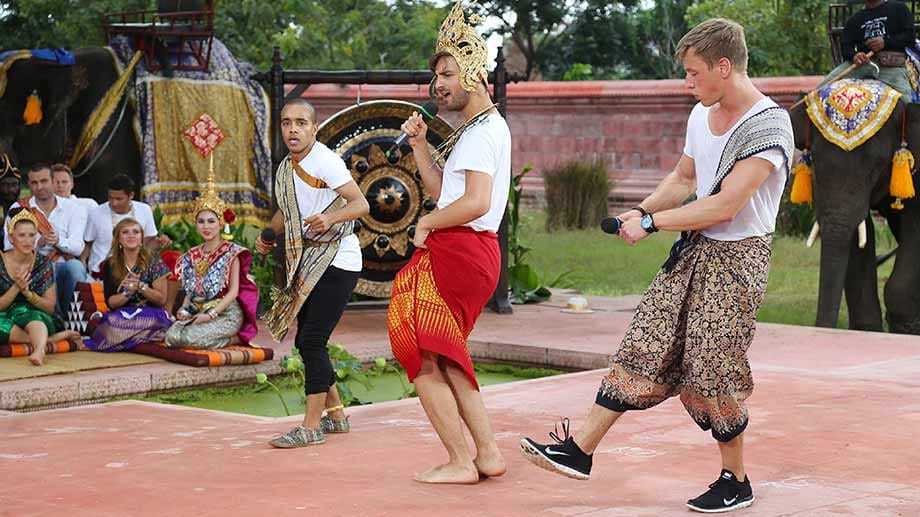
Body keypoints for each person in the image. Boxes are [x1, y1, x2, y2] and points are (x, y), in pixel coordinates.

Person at [519, 18, 794, 513]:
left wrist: (654, 223)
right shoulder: (699, 115)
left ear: (724, 67)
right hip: (693, 251)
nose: (687, 84)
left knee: (714, 366)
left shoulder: (768, 125)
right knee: (643, 342)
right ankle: (579, 450)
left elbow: (725, 205)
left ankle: (736, 479)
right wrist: (642, 211)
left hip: (738, 259)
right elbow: (684, 176)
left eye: (694, 74)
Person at [384, 1, 510, 484]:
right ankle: (487, 454)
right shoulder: (481, 129)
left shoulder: (480, 135)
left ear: (474, 75)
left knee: (415, 342)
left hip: (460, 249)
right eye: (436, 76)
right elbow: (447, 192)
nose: (439, 85)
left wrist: (427, 224)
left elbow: (473, 203)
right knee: (442, 350)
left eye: (448, 74)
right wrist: (419, 147)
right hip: (472, 251)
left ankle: (460, 461)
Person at [261, 98, 369, 449]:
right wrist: (269, 234)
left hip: (337, 258)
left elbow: (360, 204)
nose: (293, 129)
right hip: (309, 258)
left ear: (314, 128)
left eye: (301, 123)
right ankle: (336, 415)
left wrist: (330, 219)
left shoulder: (325, 160)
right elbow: (288, 211)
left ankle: (310, 427)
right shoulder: (287, 166)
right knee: (307, 338)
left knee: (311, 340)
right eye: (286, 122)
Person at [164, 173, 258, 350]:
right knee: (172, 337)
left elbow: (233, 292)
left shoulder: (232, 252)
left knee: (192, 340)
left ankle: (235, 338)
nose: (206, 227)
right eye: (201, 222)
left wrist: (211, 315)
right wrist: (184, 310)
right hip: (199, 308)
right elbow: (191, 291)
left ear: (221, 223)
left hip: (226, 312)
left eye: (211, 221)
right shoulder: (192, 254)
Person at [4, 163, 88, 316]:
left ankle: (74, 319)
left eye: (44, 181)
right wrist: (37, 243)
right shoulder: (19, 207)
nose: (39, 187)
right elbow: (8, 246)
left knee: (76, 267)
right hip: (33, 267)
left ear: (53, 182)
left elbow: (78, 247)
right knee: (47, 268)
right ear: (29, 184)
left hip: (63, 265)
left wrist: (58, 241)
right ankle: (56, 320)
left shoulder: (74, 209)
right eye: (34, 183)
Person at [0, 208, 81, 365]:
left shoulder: (42, 262)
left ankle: (39, 351)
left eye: (31, 235)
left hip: (37, 315)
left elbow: (50, 307)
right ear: (11, 238)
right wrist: (16, 287)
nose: (27, 240)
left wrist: (29, 294)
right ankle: (52, 340)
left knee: (30, 315)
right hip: (4, 315)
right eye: (21, 235)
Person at [83, 218, 172, 352]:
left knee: (152, 322)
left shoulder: (154, 260)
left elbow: (161, 299)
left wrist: (141, 287)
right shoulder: (110, 264)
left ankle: (122, 340)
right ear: (118, 239)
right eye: (125, 232)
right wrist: (127, 293)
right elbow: (111, 303)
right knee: (111, 323)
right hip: (122, 316)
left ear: (141, 238)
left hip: (150, 313)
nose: (131, 235)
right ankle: (137, 340)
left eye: (135, 232)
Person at [819, 0, 915, 98]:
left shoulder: (898, 8)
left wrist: (885, 42)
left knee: (906, 99)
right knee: (821, 88)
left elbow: (910, 38)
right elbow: (846, 48)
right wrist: (855, 56)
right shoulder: (855, 19)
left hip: (891, 67)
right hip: (861, 66)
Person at [82, 173, 171, 277]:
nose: (113, 203)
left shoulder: (144, 210)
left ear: (131, 196)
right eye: (110, 198)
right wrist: (82, 262)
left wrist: (159, 242)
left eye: (119, 199)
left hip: (137, 269)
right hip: (104, 270)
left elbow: (147, 242)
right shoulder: (96, 213)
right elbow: (87, 244)